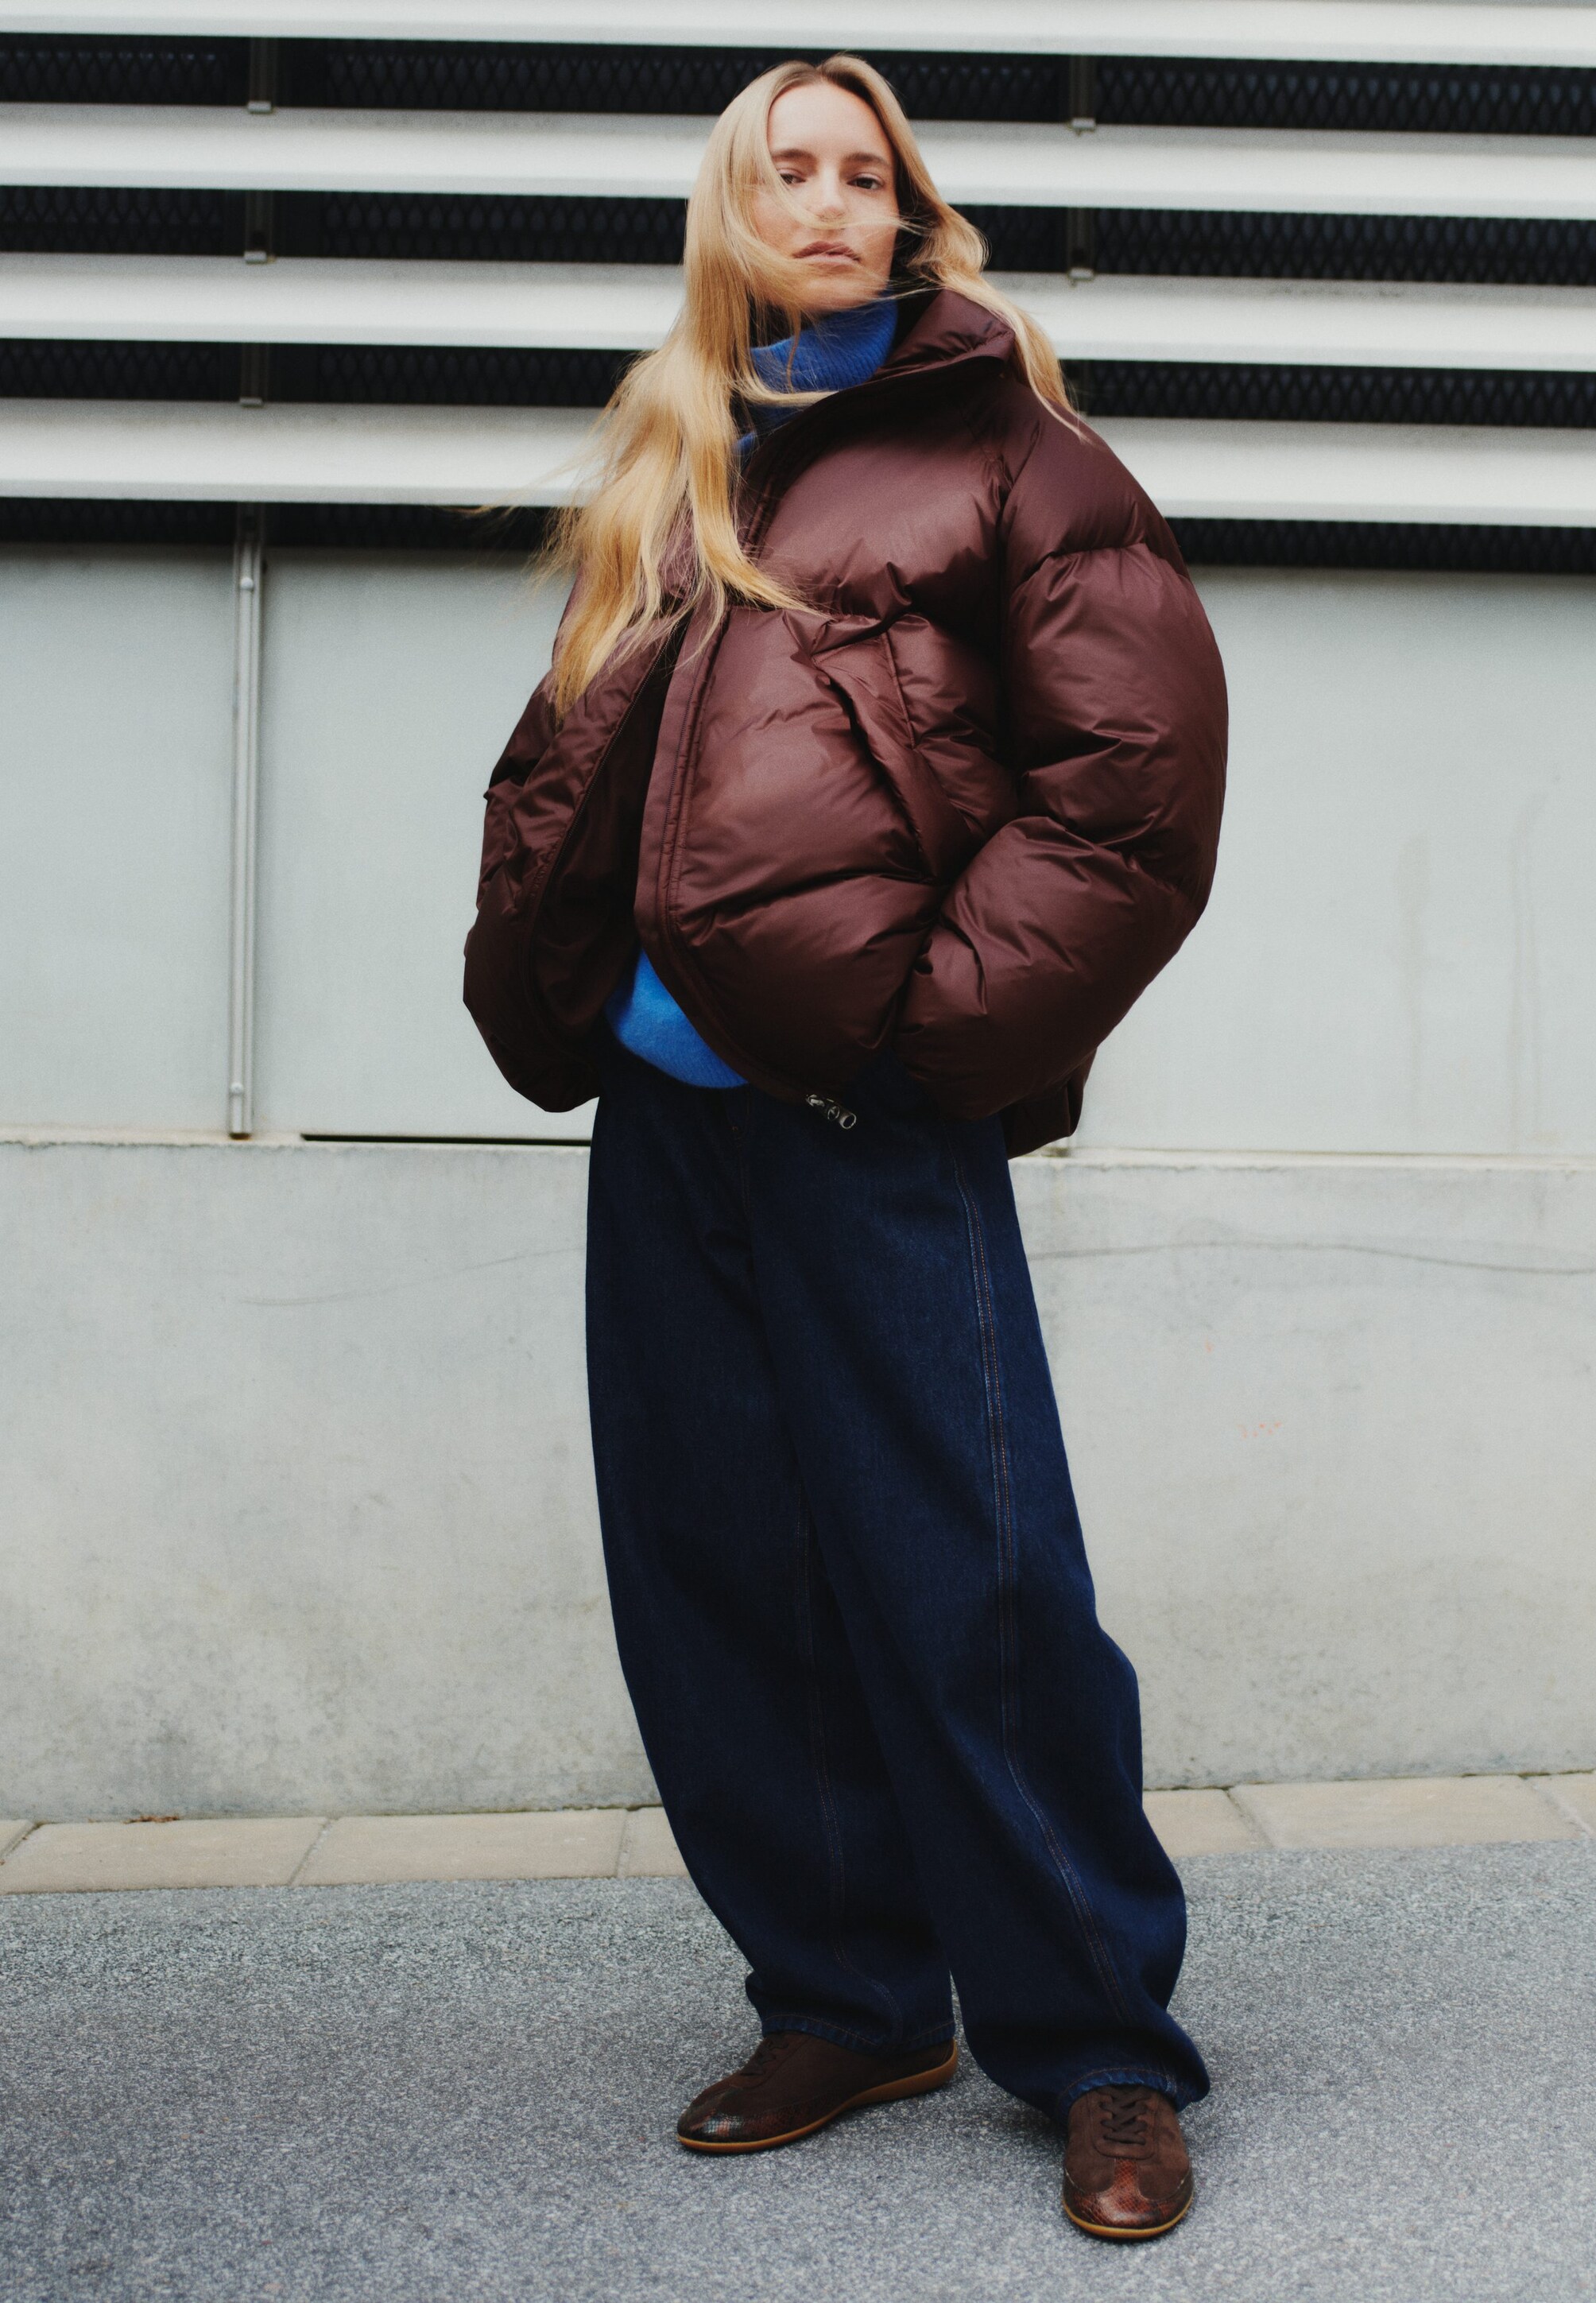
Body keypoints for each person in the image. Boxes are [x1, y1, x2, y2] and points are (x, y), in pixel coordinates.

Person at [464, 53, 1227, 2242]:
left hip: (869, 1108)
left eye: (859, 170)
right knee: (721, 1573)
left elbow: (1135, 794)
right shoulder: (680, 454)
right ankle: (851, 1993)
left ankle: (1097, 2043)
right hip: (672, 1123)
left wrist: (931, 1037)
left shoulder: (1017, 454)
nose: (823, 198)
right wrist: (553, 971)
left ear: (912, 212)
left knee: (969, 1583)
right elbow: (586, 760)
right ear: (728, 213)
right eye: (780, 169)